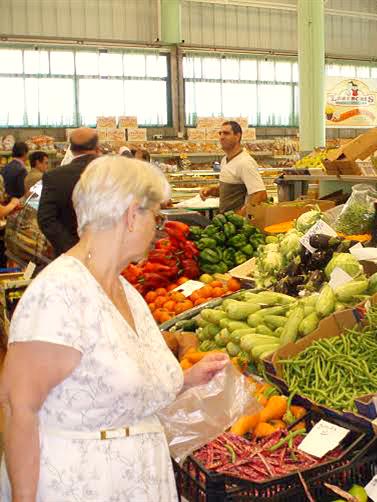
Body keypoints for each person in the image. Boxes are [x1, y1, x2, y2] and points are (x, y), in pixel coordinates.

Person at [0, 156, 228, 502]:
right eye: (157, 216)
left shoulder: (126, 292)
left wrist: (187, 380)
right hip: (81, 483)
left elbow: (114, 389)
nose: (159, 227)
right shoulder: (59, 294)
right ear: (130, 215)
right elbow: (18, 409)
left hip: (134, 479)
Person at [37, 128, 100, 257]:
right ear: (98, 148)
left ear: (70, 150)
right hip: (107, 253)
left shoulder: (53, 176)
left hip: (69, 255)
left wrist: (72, 248)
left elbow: (46, 219)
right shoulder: (113, 174)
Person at [199, 121, 267, 214]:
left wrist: (240, 216)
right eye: (220, 133)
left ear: (237, 136)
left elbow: (260, 195)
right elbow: (230, 189)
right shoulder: (225, 160)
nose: (221, 137)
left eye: (226, 133)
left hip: (237, 225)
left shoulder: (245, 162)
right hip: (226, 221)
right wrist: (212, 190)